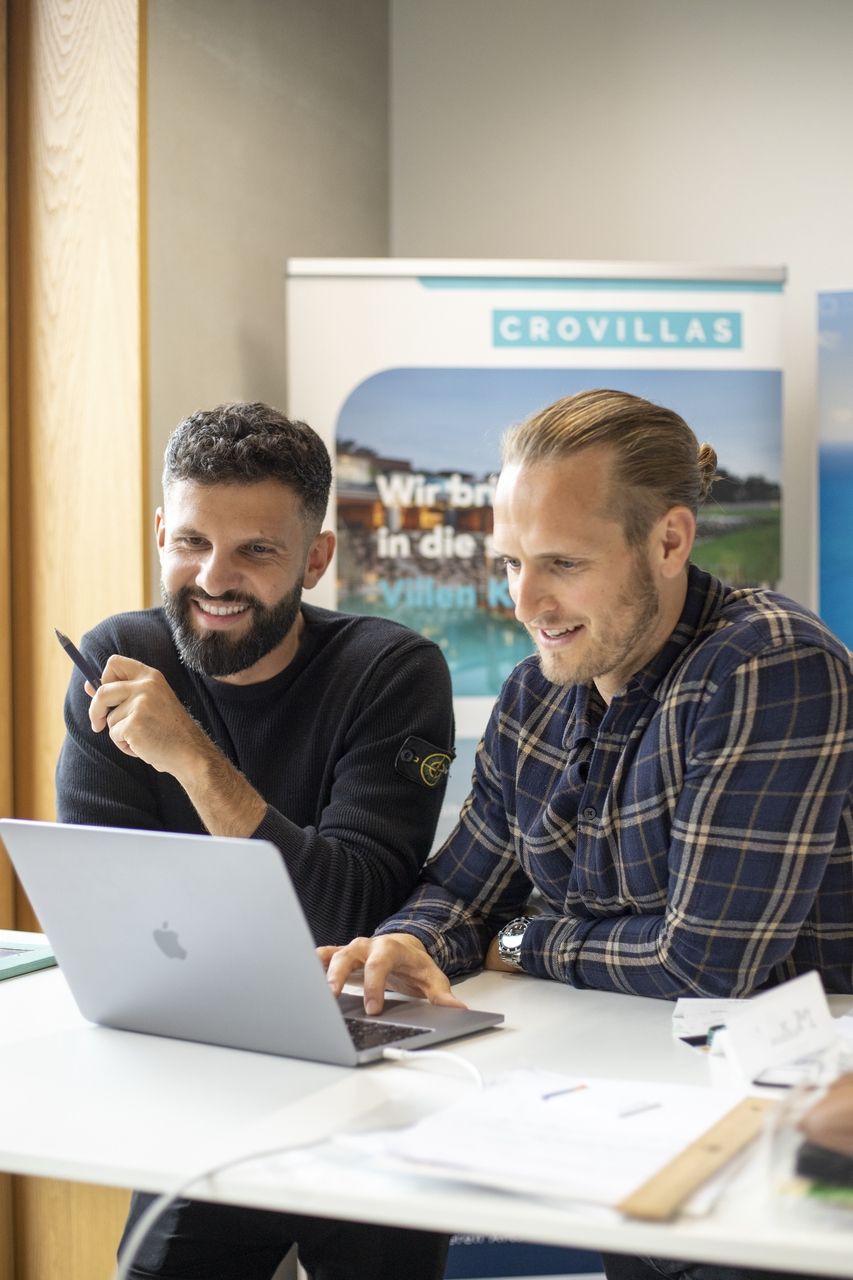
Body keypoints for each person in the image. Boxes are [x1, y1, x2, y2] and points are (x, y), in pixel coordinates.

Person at [322, 388, 853, 1280]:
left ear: (671, 541)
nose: (524, 601)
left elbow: (704, 961)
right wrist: (411, 943)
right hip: (617, 1111)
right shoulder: (539, 689)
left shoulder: (768, 663)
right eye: (509, 562)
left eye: (561, 562)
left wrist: (517, 941)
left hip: (775, 1150)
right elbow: (461, 884)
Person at [56, 401, 455, 1280]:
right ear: (161, 531)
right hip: (205, 1069)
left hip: (371, 1075)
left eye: (256, 551)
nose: (213, 577)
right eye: (192, 542)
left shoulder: (391, 672)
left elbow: (350, 903)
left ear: (316, 557)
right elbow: (105, 911)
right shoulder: (118, 656)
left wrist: (192, 760)